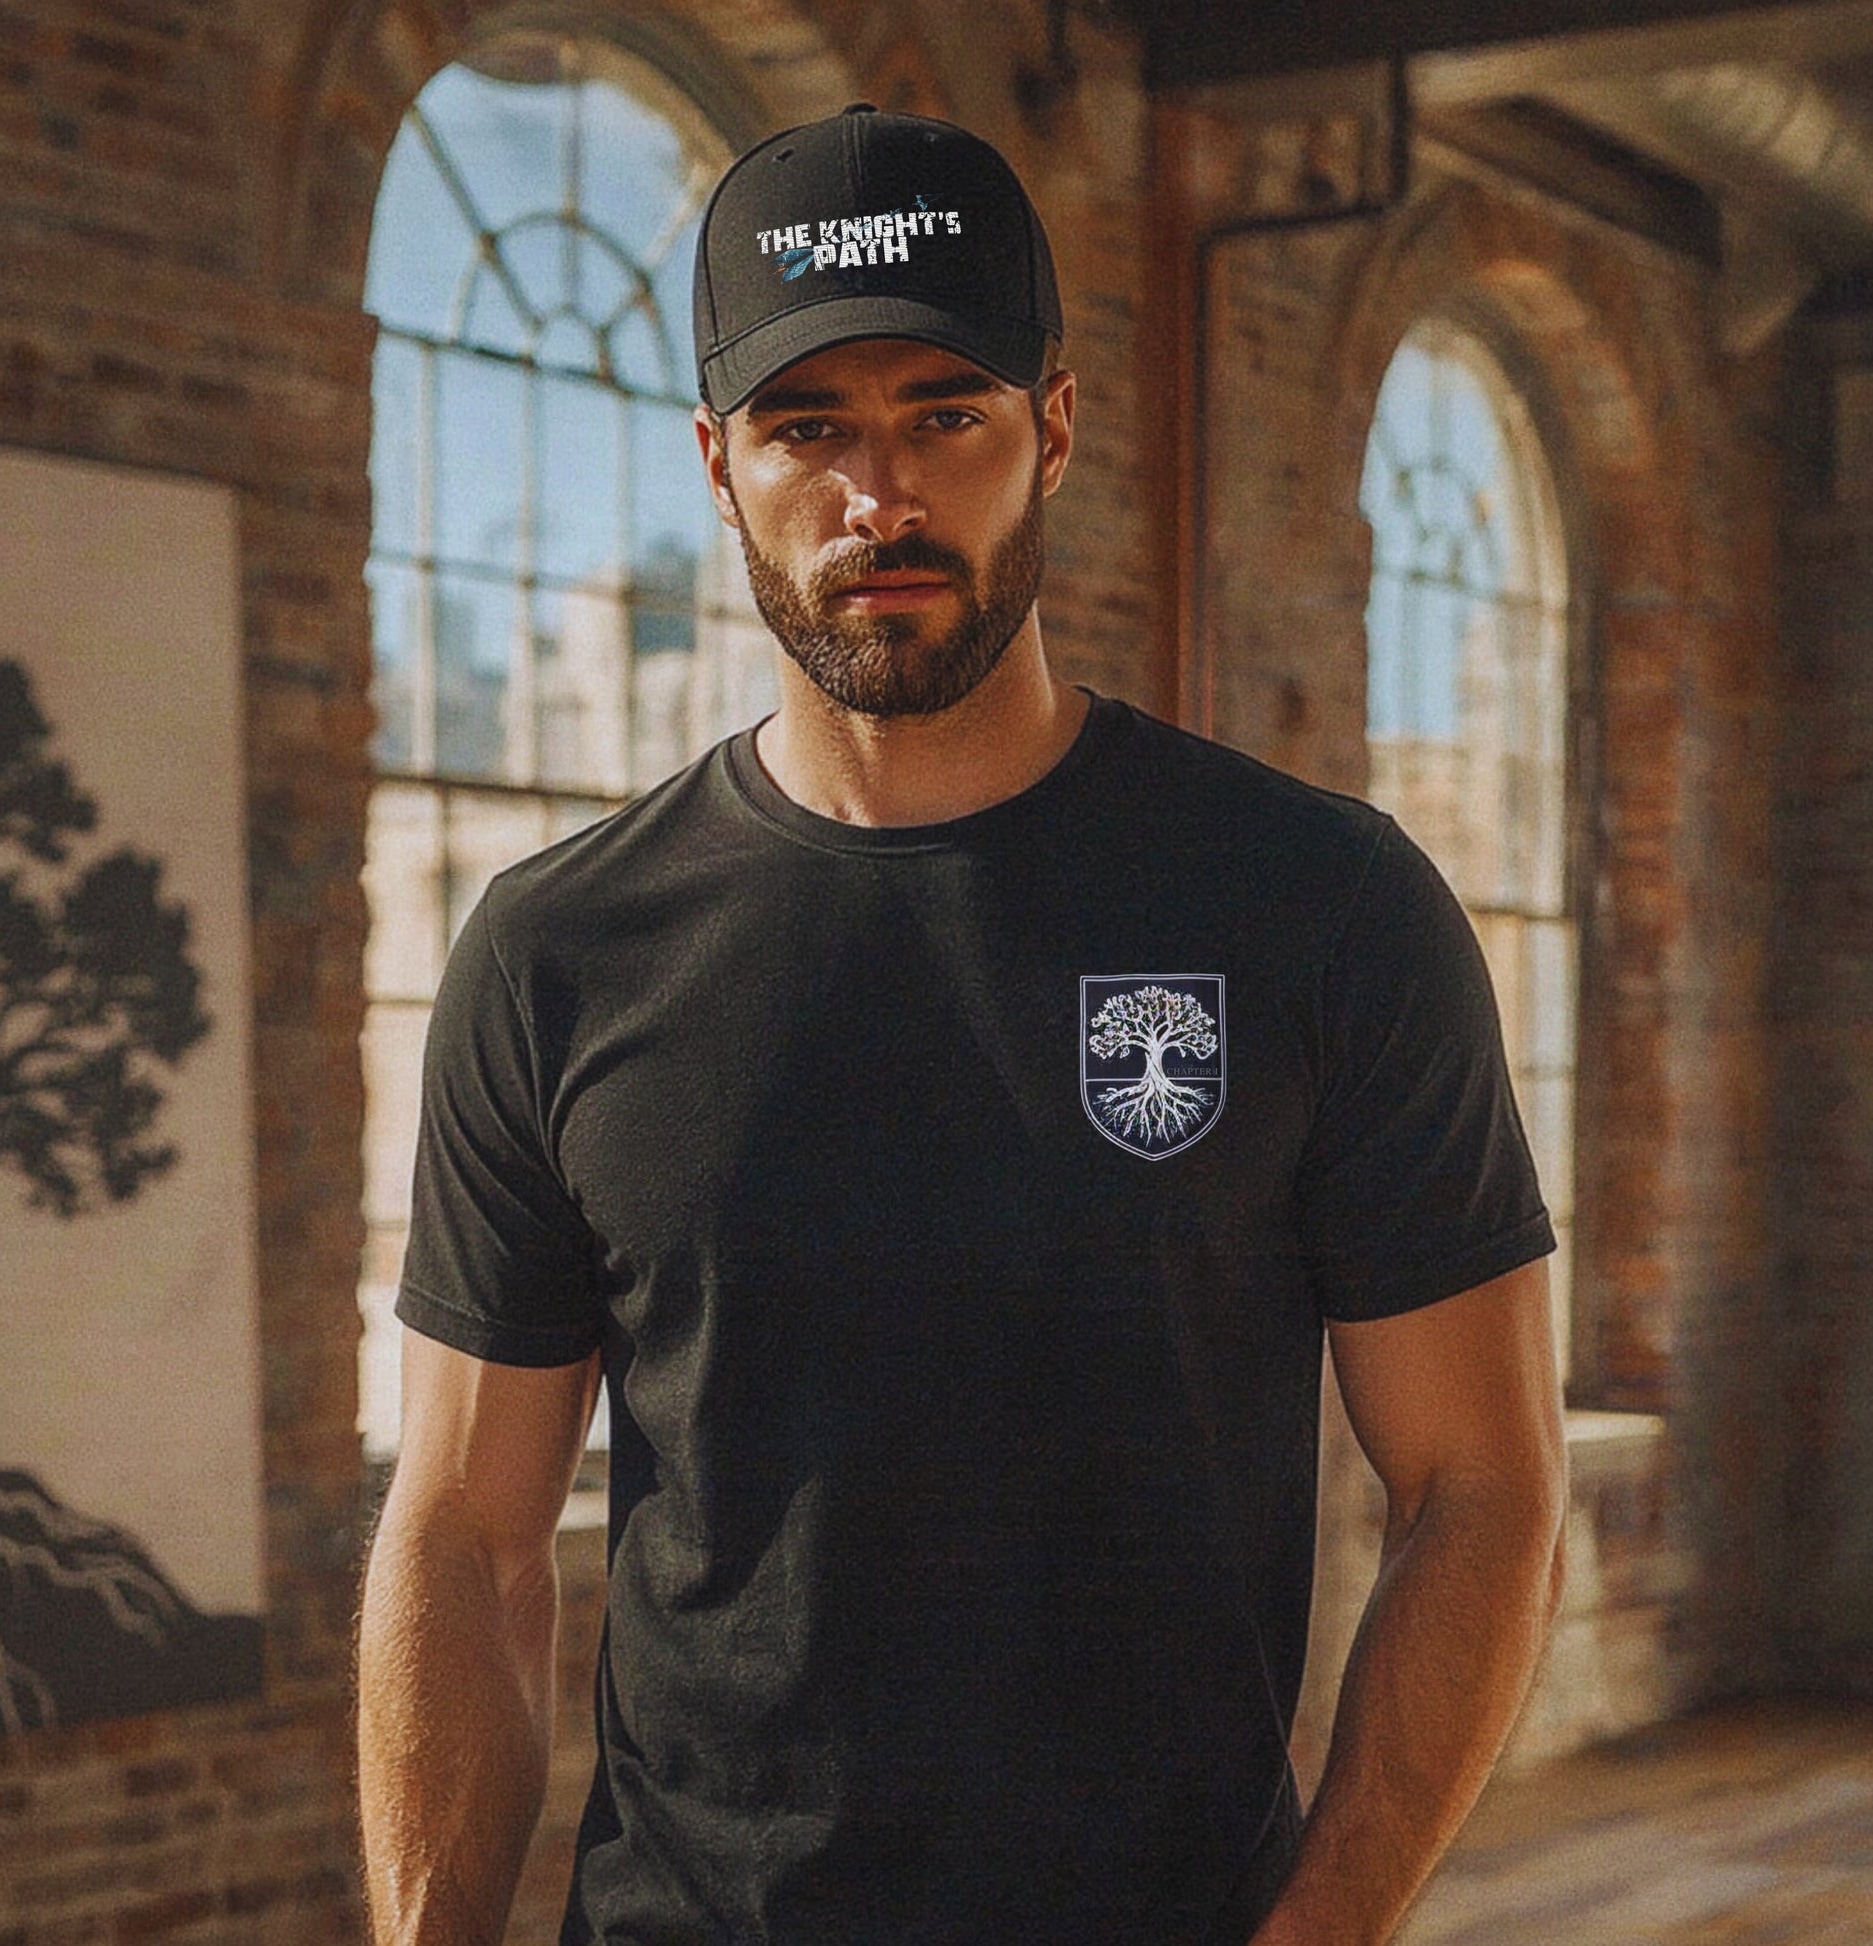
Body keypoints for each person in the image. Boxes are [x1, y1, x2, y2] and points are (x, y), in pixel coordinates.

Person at [357, 103, 1567, 1946]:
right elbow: (461, 1536)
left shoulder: (1315, 905)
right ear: (714, 461)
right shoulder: (558, 953)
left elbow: (1480, 1487)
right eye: (807, 427)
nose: (878, 497)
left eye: (945, 413)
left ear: (1054, 428)